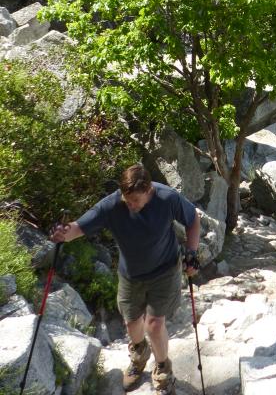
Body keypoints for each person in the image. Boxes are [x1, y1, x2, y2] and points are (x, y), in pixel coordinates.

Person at [51, 164, 201, 394]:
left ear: (149, 191)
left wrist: (191, 252)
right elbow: (79, 227)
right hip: (131, 275)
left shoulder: (167, 199)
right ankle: (139, 355)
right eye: (127, 199)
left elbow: (193, 219)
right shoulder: (112, 205)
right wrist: (64, 233)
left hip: (165, 270)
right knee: (132, 323)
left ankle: (163, 369)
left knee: (154, 323)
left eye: (135, 201)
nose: (130, 205)